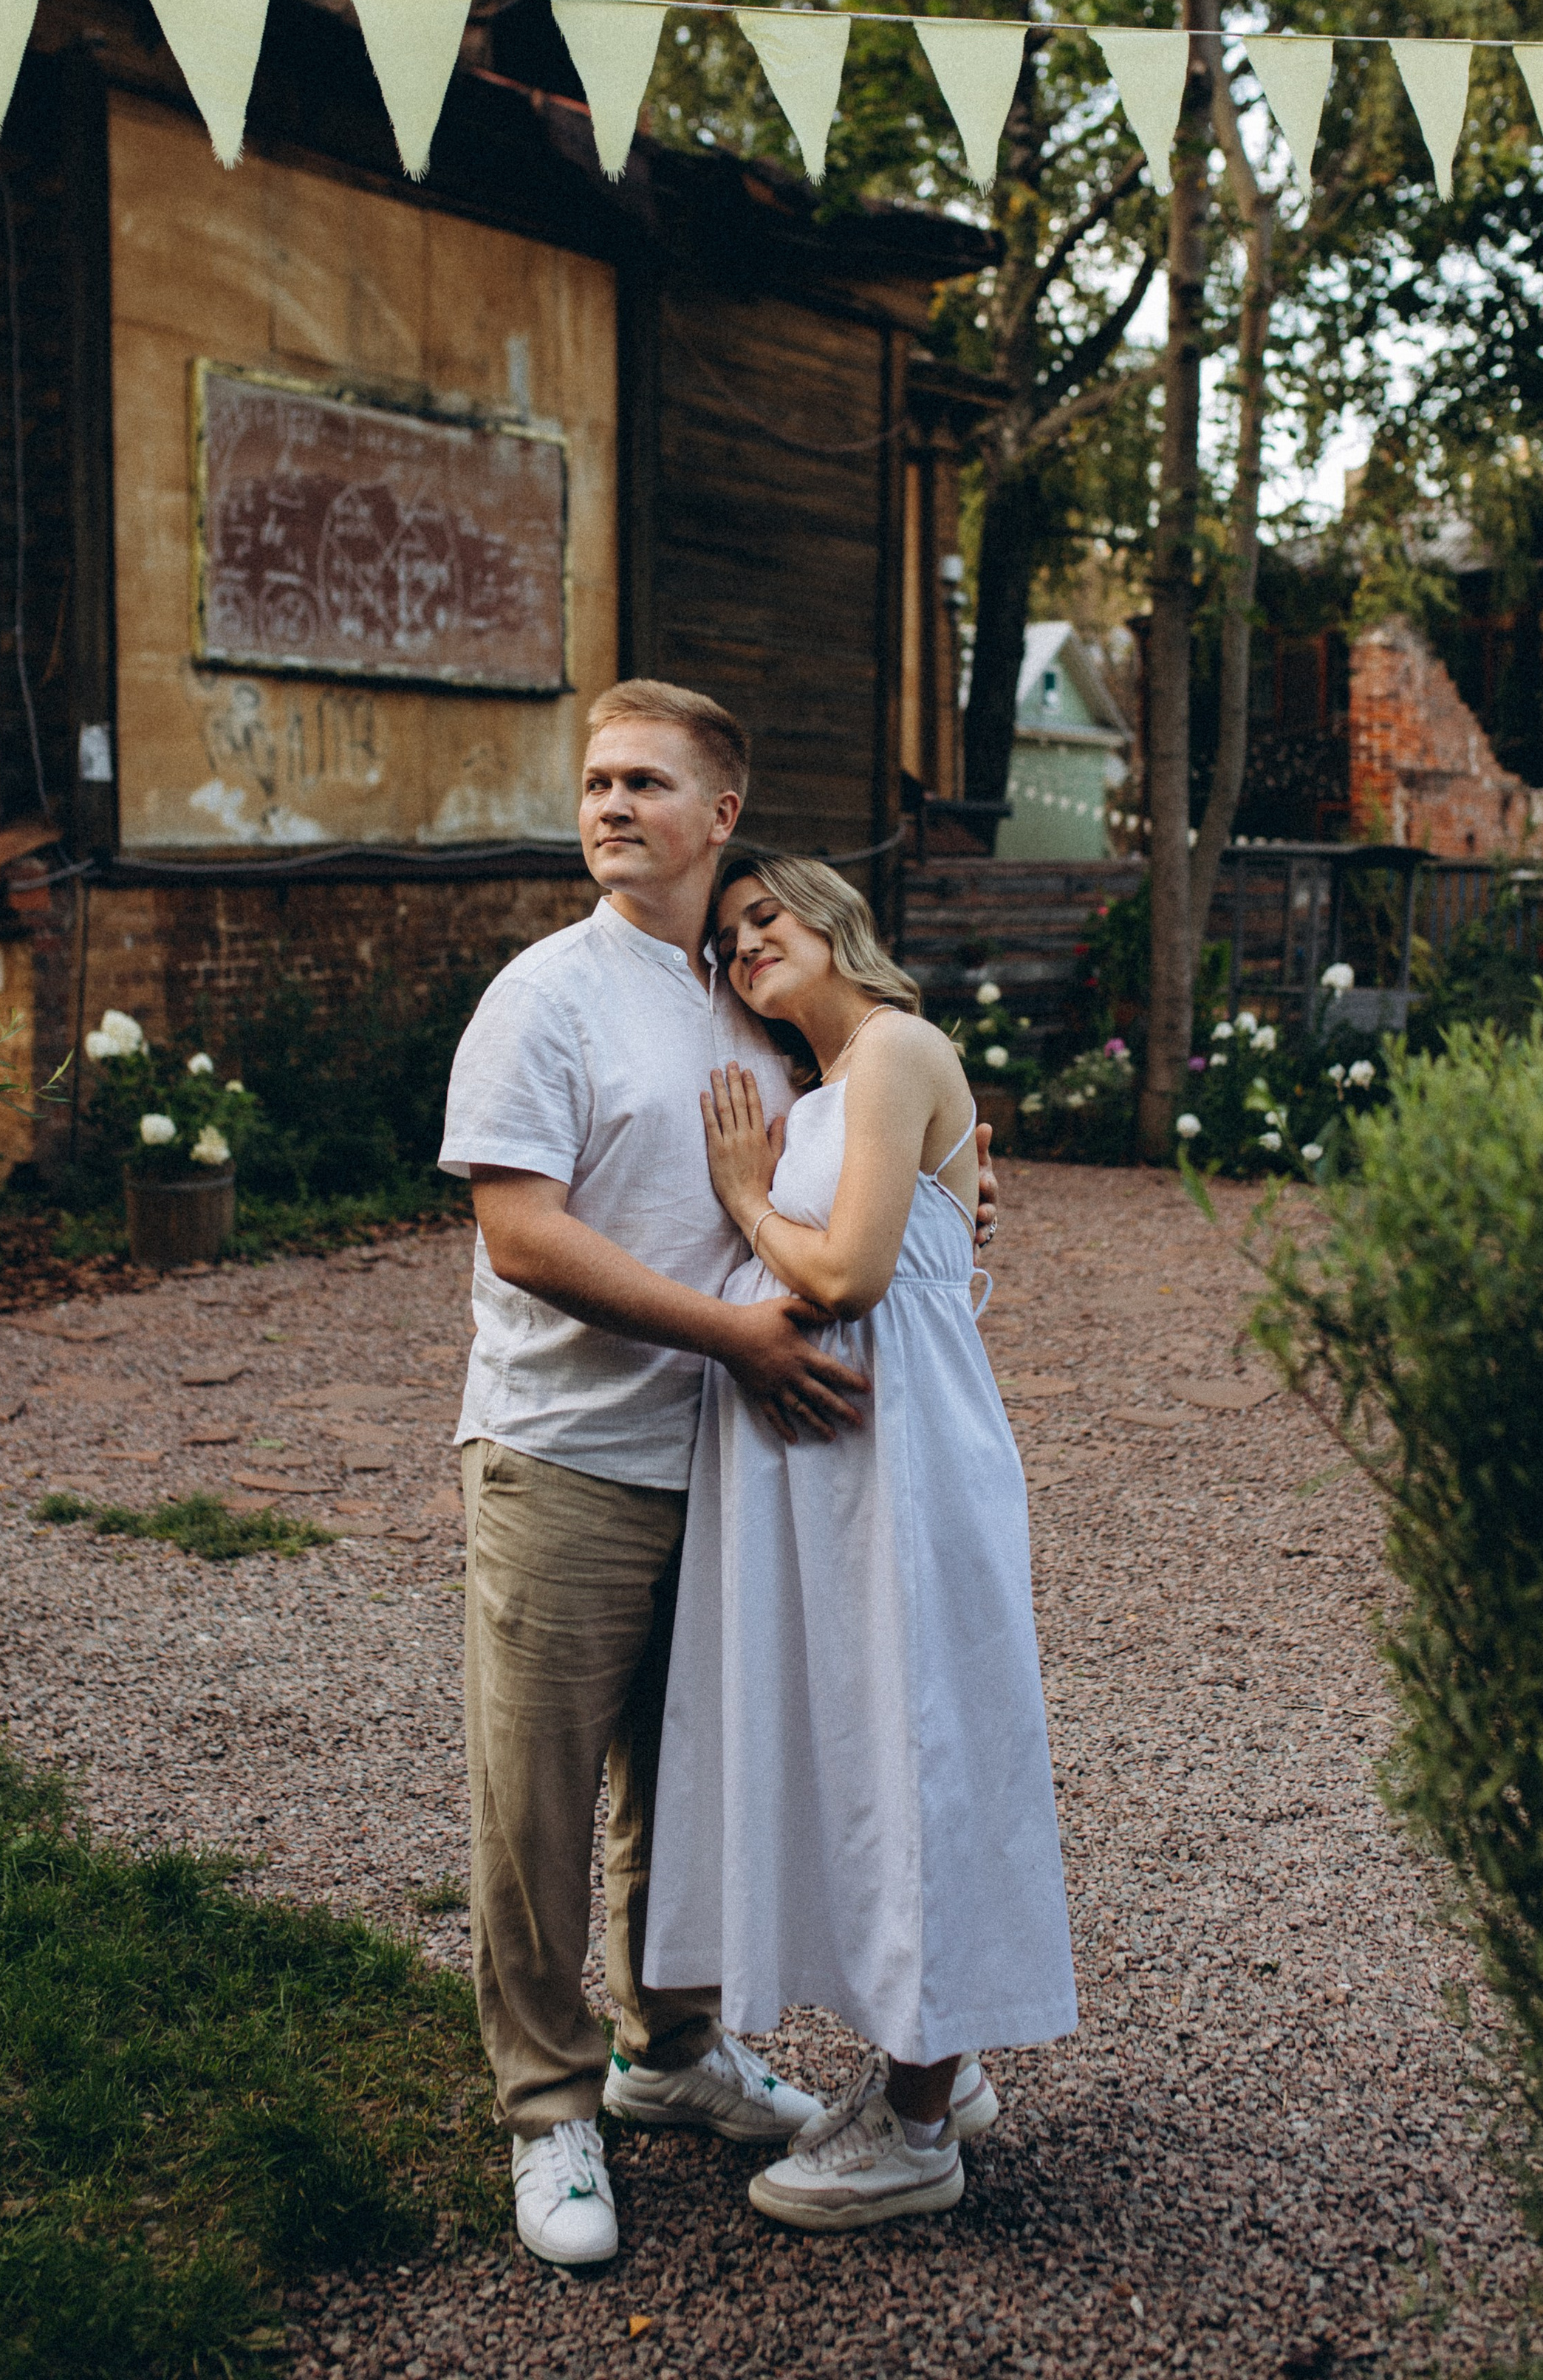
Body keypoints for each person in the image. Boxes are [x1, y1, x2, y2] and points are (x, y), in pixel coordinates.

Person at [437, 680, 995, 2268]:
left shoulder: (749, 987)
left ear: (721, 813)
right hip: (569, 1448)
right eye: (595, 781)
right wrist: (738, 1335)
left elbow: (871, 1130)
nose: (608, 805)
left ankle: (667, 2055)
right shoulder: (545, 996)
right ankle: (549, 2113)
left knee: (685, 1783)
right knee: (535, 1801)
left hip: (739, 1473)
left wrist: (961, 1186)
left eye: (644, 782)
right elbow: (520, 1232)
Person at [644, 853, 1078, 2232]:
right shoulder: (826, 1092)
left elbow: (848, 1273)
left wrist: (743, 1198)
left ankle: (915, 2124)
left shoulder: (895, 1046)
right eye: (727, 939)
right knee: (863, 1754)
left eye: (766, 919)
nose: (745, 947)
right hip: (833, 1470)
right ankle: (927, 2066)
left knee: (925, 1741)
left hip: (905, 1460)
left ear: (836, 924)